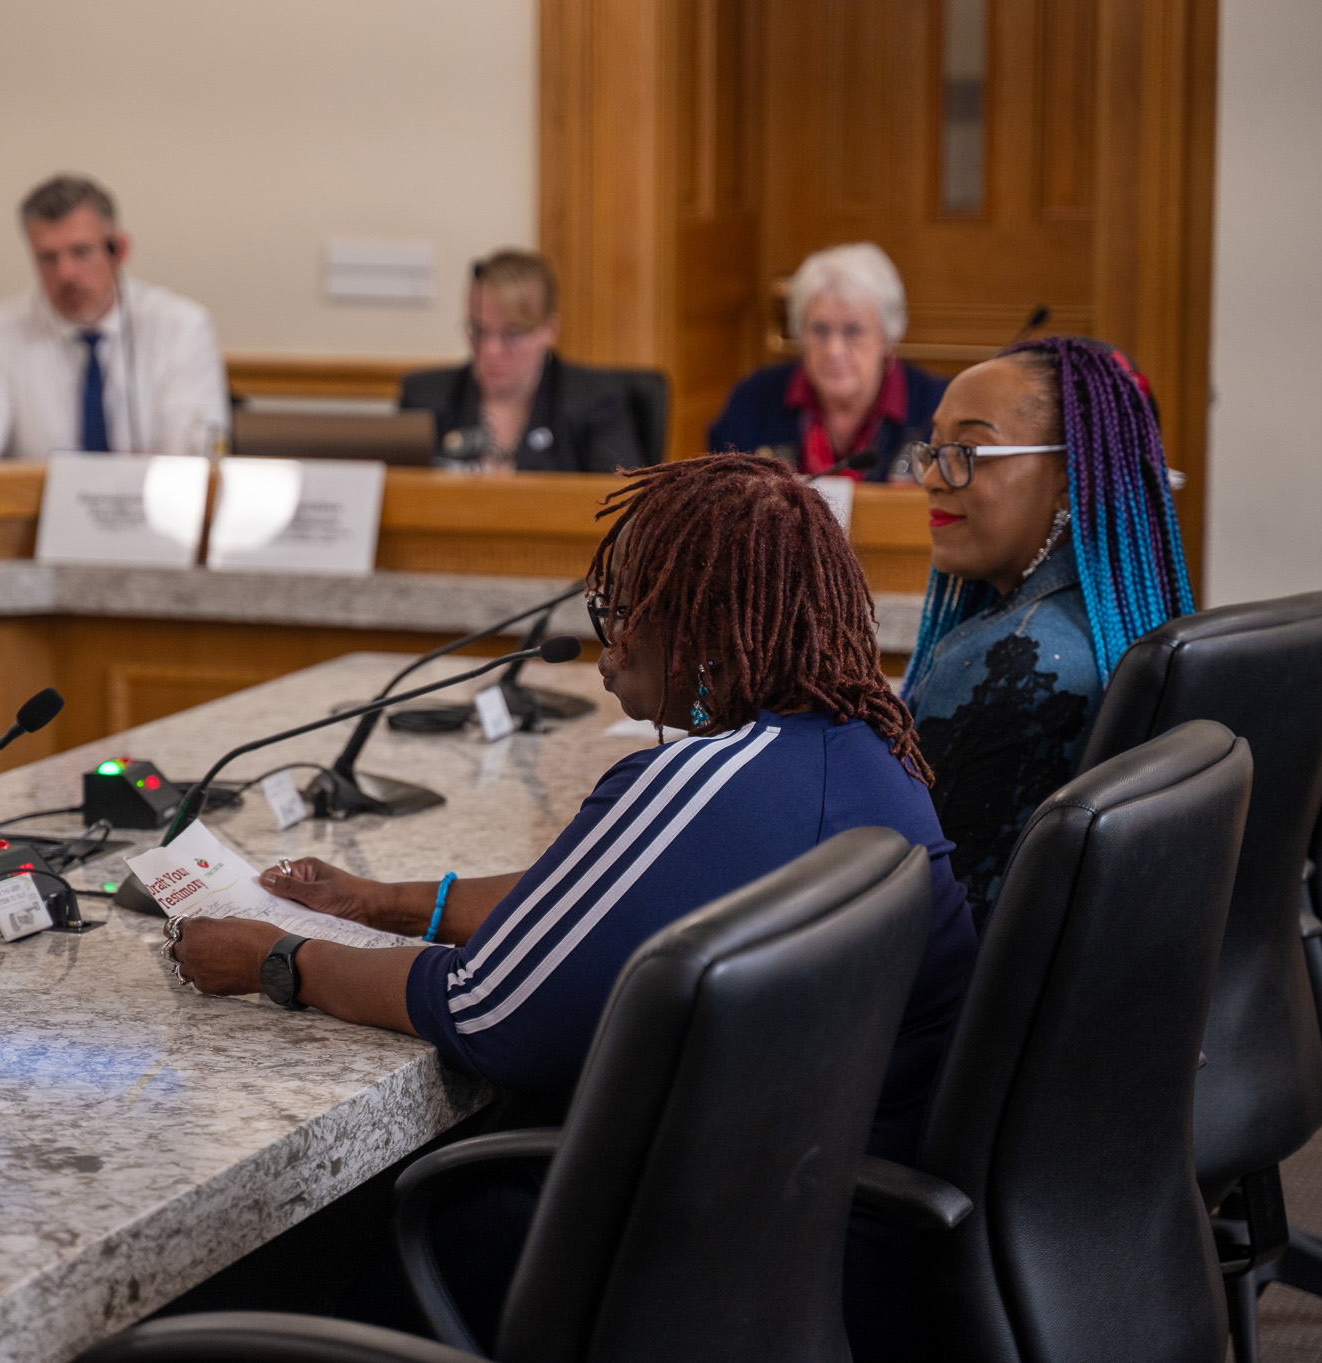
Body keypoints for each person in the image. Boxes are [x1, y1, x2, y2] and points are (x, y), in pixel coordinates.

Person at [169, 453, 977, 1357]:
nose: (610, 641)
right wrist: (386, 901)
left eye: (625, 608)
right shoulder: (850, 752)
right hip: (823, 1258)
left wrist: (279, 959)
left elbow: (486, 1009)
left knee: (296, 1247)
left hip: (696, 1271)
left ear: (704, 626)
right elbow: (605, 899)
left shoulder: (697, 784)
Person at [901, 336, 1193, 912]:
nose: (934, 478)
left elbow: (907, 898)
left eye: (967, 452)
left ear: (1066, 477)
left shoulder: (1009, 663)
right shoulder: (1108, 627)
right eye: (933, 450)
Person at [0, 174, 228, 462]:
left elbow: (193, 464)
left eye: (81, 252)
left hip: (151, 510)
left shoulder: (181, 327)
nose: (66, 274)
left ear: (119, 250)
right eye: (48, 258)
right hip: (36, 512)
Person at [706, 242, 945, 481]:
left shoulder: (938, 409)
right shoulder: (753, 401)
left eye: (853, 330)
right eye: (820, 330)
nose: (834, 350)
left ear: (887, 337)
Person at [400, 250, 644, 472]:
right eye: (479, 331)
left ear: (549, 331)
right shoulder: (426, 399)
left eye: (512, 334)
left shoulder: (594, 402)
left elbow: (622, 505)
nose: (490, 350)